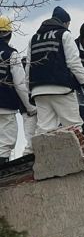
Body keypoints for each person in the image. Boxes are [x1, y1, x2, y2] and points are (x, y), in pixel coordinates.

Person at [26, 6, 84, 135]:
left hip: (38, 90)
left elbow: (29, 66)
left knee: (45, 129)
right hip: (61, 88)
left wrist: (29, 89)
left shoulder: (34, 39)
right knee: (74, 126)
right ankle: (77, 155)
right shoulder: (64, 35)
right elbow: (74, 62)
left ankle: (43, 154)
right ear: (64, 22)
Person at [0, 17, 36, 164]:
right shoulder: (11, 54)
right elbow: (20, 84)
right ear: (9, 34)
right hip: (6, 105)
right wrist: (30, 107)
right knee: (5, 142)